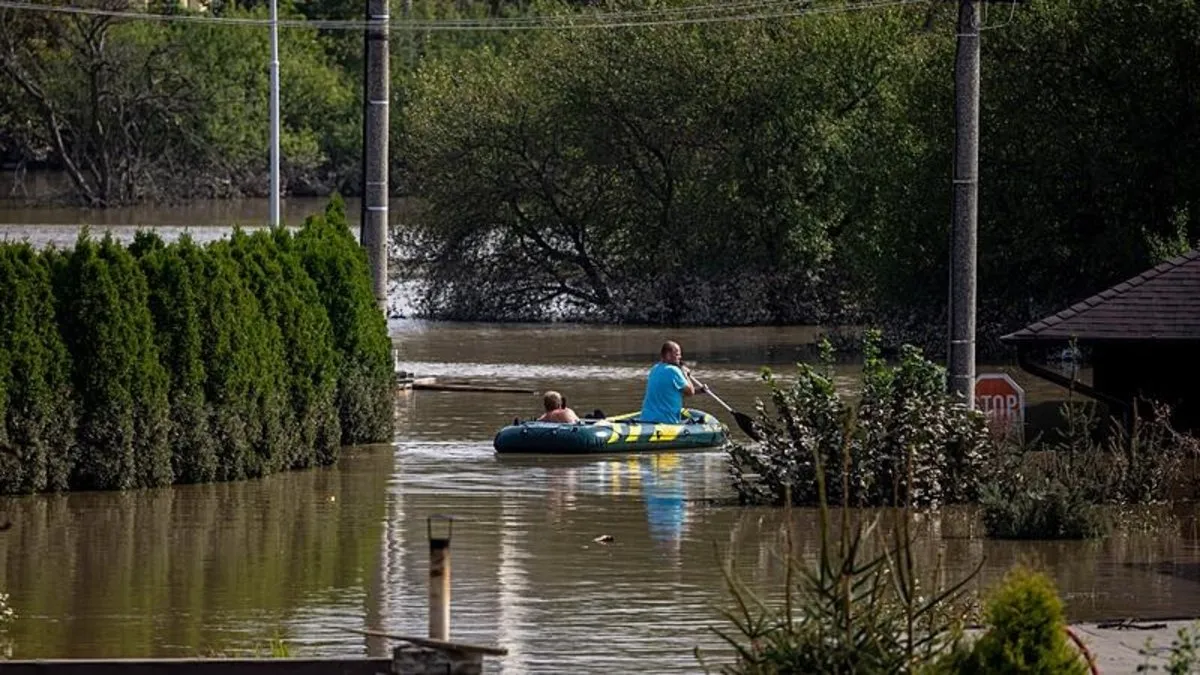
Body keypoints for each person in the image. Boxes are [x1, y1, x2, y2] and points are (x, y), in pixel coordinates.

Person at [638, 341, 707, 423]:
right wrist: (686, 375)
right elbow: (690, 392)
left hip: (646, 419)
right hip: (666, 421)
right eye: (677, 354)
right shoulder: (673, 370)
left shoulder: (655, 369)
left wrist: (700, 390)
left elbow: (674, 392)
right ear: (668, 355)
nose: (680, 357)